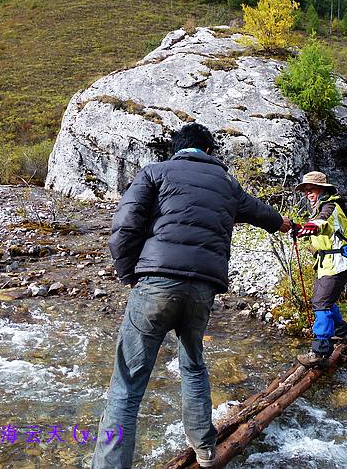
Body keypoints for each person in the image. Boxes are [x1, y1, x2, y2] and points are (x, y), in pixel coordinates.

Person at [91, 123, 291, 469]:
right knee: (193, 364)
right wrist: (286, 225)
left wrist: (129, 274)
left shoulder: (156, 172)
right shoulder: (227, 184)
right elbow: (261, 213)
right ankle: (205, 448)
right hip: (202, 289)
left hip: (156, 282)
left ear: (178, 150)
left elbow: (124, 226)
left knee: (126, 387)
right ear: (209, 151)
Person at [293, 171, 347, 368]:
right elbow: (319, 226)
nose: (307, 193)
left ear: (322, 189)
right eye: (305, 190)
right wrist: (301, 228)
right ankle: (341, 333)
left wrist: (311, 226)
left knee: (321, 303)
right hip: (328, 264)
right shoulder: (321, 206)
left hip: (336, 263)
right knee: (326, 300)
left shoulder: (330, 206)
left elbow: (322, 222)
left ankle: (320, 353)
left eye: (311, 189)